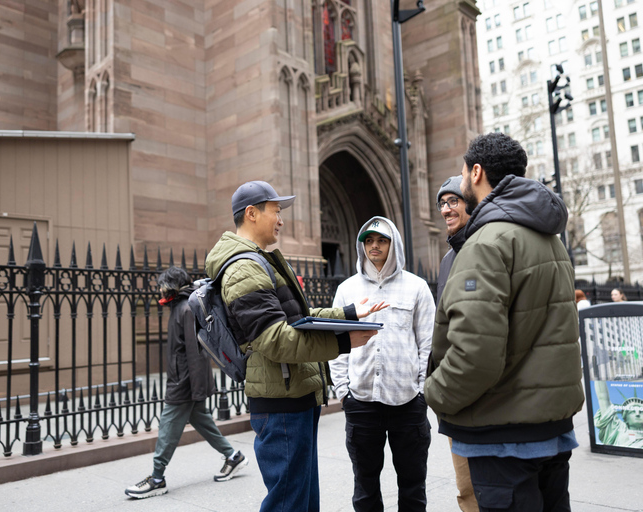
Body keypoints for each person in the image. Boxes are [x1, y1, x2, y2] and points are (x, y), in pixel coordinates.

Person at [425, 133, 584, 512]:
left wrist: (435, 393)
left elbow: (474, 353)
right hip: (551, 428)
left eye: (464, 172)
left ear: (476, 172)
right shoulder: (549, 239)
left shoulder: (487, 242)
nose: (462, 180)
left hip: (504, 436)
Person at [205, 180, 386, 512]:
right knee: (288, 503)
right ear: (251, 214)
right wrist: (344, 341)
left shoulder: (258, 260)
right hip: (281, 404)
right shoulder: (243, 267)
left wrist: (348, 314)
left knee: (301, 501)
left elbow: (298, 317)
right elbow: (275, 339)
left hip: (294, 396)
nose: (281, 219)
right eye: (276, 211)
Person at [331, 216, 435, 512]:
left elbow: (428, 343)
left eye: (381, 240)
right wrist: (343, 392)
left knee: (413, 486)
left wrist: (421, 391)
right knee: (365, 488)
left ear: (394, 245)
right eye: (368, 241)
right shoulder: (347, 289)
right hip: (362, 402)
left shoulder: (416, 287)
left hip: (407, 403)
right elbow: (336, 345)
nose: (374, 246)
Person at [125, 267, 248, 499]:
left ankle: (157, 478)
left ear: (173, 287)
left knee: (167, 427)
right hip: (184, 380)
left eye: (163, 285)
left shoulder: (185, 309)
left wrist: (197, 388)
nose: (159, 289)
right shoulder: (179, 308)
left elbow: (196, 353)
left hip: (184, 383)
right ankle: (233, 457)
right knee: (202, 421)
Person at [433, 176, 478, 512]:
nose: (447, 209)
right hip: (456, 395)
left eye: (453, 202)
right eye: (442, 204)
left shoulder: (485, 245)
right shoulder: (447, 259)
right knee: (466, 488)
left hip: (489, 390)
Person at [593, 381, 643, 451]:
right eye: (632, 411)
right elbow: (602, 396)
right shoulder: (616, 429)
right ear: (626, 419)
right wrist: (597, 372)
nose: (637, 414)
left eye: (642, 412)